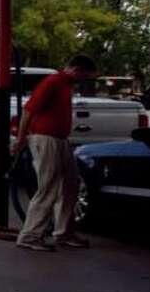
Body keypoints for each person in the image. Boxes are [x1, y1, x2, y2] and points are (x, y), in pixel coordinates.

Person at [12, 54, 99, 251]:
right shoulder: (52, 82)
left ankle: (63, 233)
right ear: (77, 69)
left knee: (70, 184)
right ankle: (30, 236)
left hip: (61, 139)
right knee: (48, 187)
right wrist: (20, 139)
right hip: (45, 138)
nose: (85, 81)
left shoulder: (65, 84)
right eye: (85, 76)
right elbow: (28, 110)